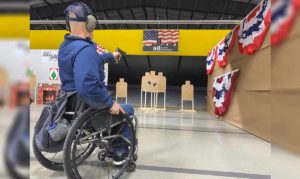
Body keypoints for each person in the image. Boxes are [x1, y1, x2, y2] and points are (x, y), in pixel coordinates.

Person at [58, 2, 134, 162]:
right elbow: (87, 86)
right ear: (89, 23)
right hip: (89, 111)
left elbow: (92, 61)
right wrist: (110, 104)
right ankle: (119, 152)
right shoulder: (86, 49)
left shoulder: (66, 47)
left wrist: (111, 56)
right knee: (127, 109)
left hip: (70, 107)